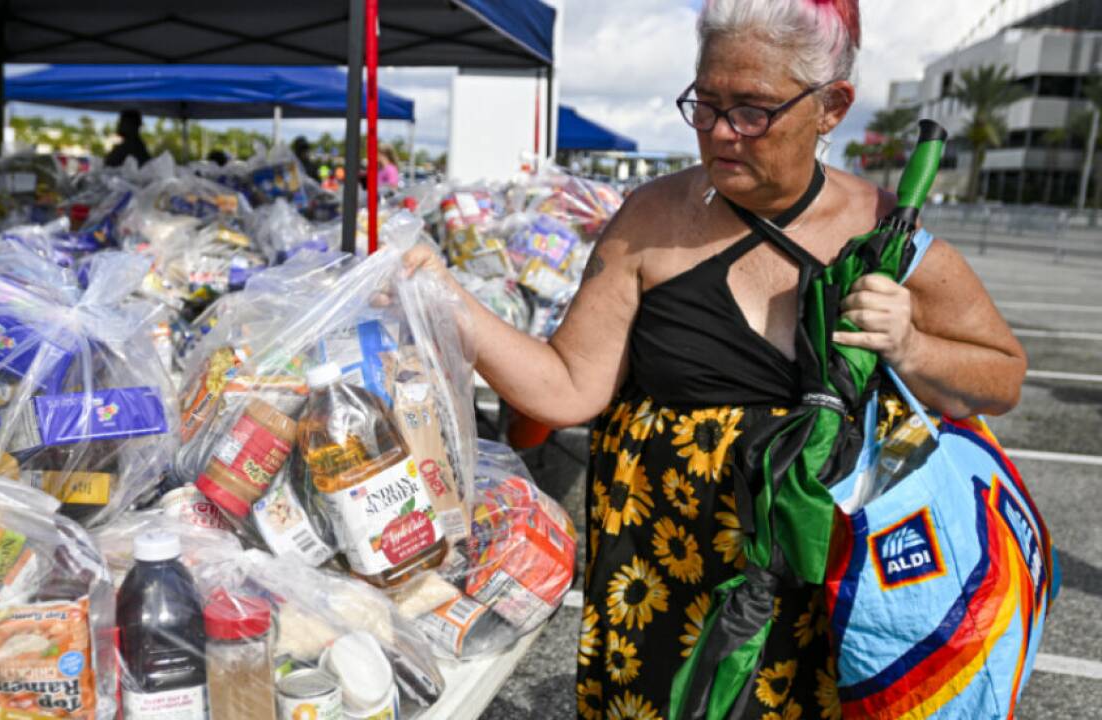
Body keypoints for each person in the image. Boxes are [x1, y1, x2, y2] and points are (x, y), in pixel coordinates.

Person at [404, 0, 1027, 717]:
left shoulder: (886, 232)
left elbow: (1003, 376)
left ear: (831, 107)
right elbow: (570, 386)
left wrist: (911, 345)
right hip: (659, 576)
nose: (722, 132)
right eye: (705, 104)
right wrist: (443, 296)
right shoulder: (652, 217)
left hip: (816, 585)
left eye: (754, 110)